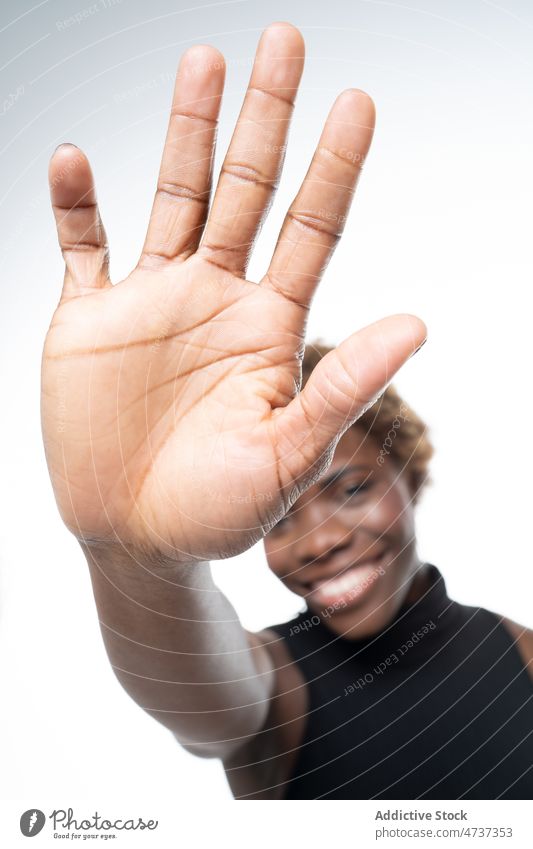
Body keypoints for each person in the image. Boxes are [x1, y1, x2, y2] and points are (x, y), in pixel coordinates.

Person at [41, 22, 533, 799]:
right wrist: (130, 553)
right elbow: (201, 695)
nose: (323, 539)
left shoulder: (522, 655)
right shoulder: (272, 696)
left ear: (412, 477)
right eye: (277, 516)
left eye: (350, 486)